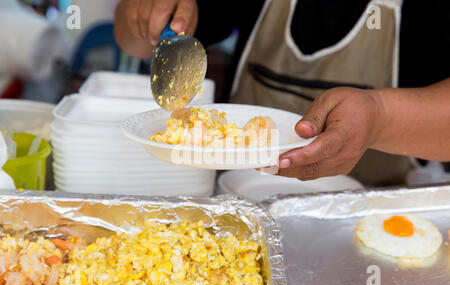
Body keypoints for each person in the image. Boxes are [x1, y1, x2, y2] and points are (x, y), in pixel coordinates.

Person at [114, 0, 450, 186]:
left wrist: (380, 116)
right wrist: (142, 12)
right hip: (237, 200)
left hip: (375, 220)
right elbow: (133, 41)